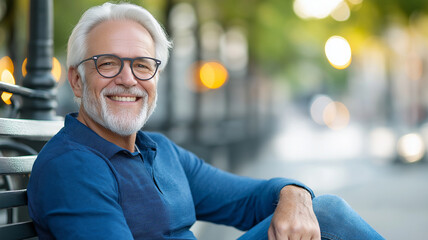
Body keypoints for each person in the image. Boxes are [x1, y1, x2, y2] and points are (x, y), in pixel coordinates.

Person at [27, 3, 384, 240]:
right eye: (108, 63)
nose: (128, 79)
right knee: (330, 216)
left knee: (320, 212)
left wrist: (295, 195)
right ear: (76, 79)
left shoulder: (160, 151)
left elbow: (249, 200)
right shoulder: (72, 166)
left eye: (142, 65)